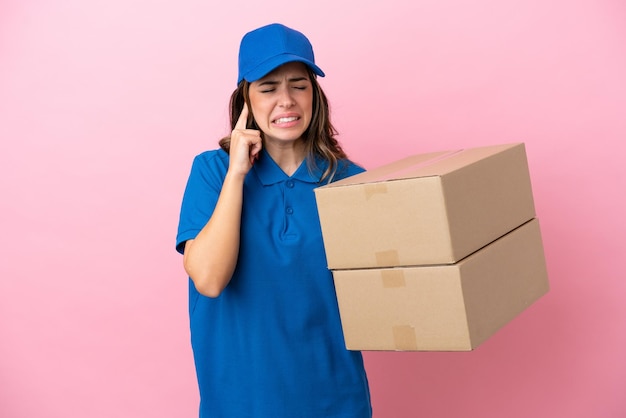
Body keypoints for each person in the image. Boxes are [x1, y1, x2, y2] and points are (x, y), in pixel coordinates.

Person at [176, 23, 372, 418]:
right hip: (240, 403)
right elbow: (209, 279)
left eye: (299, 84)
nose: (286, 100)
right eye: (268, 88)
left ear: (314, 94)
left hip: (336, 401)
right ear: (244, 100)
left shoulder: (351, 182)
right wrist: (237, 174)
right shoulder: (212, 173)